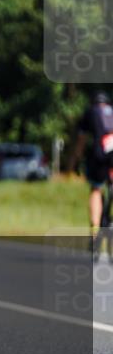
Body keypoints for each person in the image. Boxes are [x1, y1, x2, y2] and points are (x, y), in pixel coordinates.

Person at [69, 91, 113, 255]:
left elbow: (81, 141)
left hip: (99, 155)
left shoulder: (90, 113)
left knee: (95, 189)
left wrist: (75, 160)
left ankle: (94, 231)